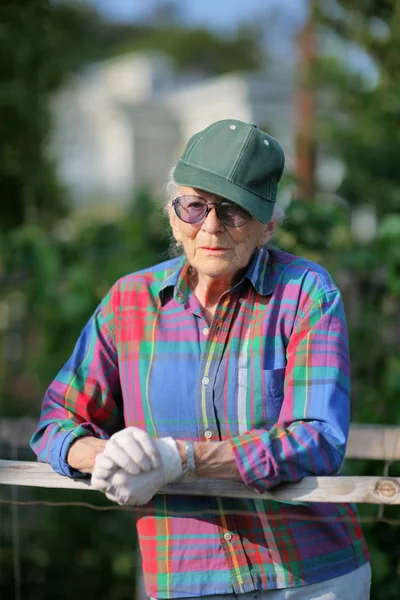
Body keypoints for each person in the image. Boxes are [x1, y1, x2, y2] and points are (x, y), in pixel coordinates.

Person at [31, 119, 371, 599]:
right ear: (173, 215)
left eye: (233, 212)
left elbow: (318, 437)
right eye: (194, 206)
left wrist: (179, 458)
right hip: (187, 580)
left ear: (268, 223)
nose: (210, 226)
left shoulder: (305, 292)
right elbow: (56, 425)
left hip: (311, 578)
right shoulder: (129, 302)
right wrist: (107, 458)